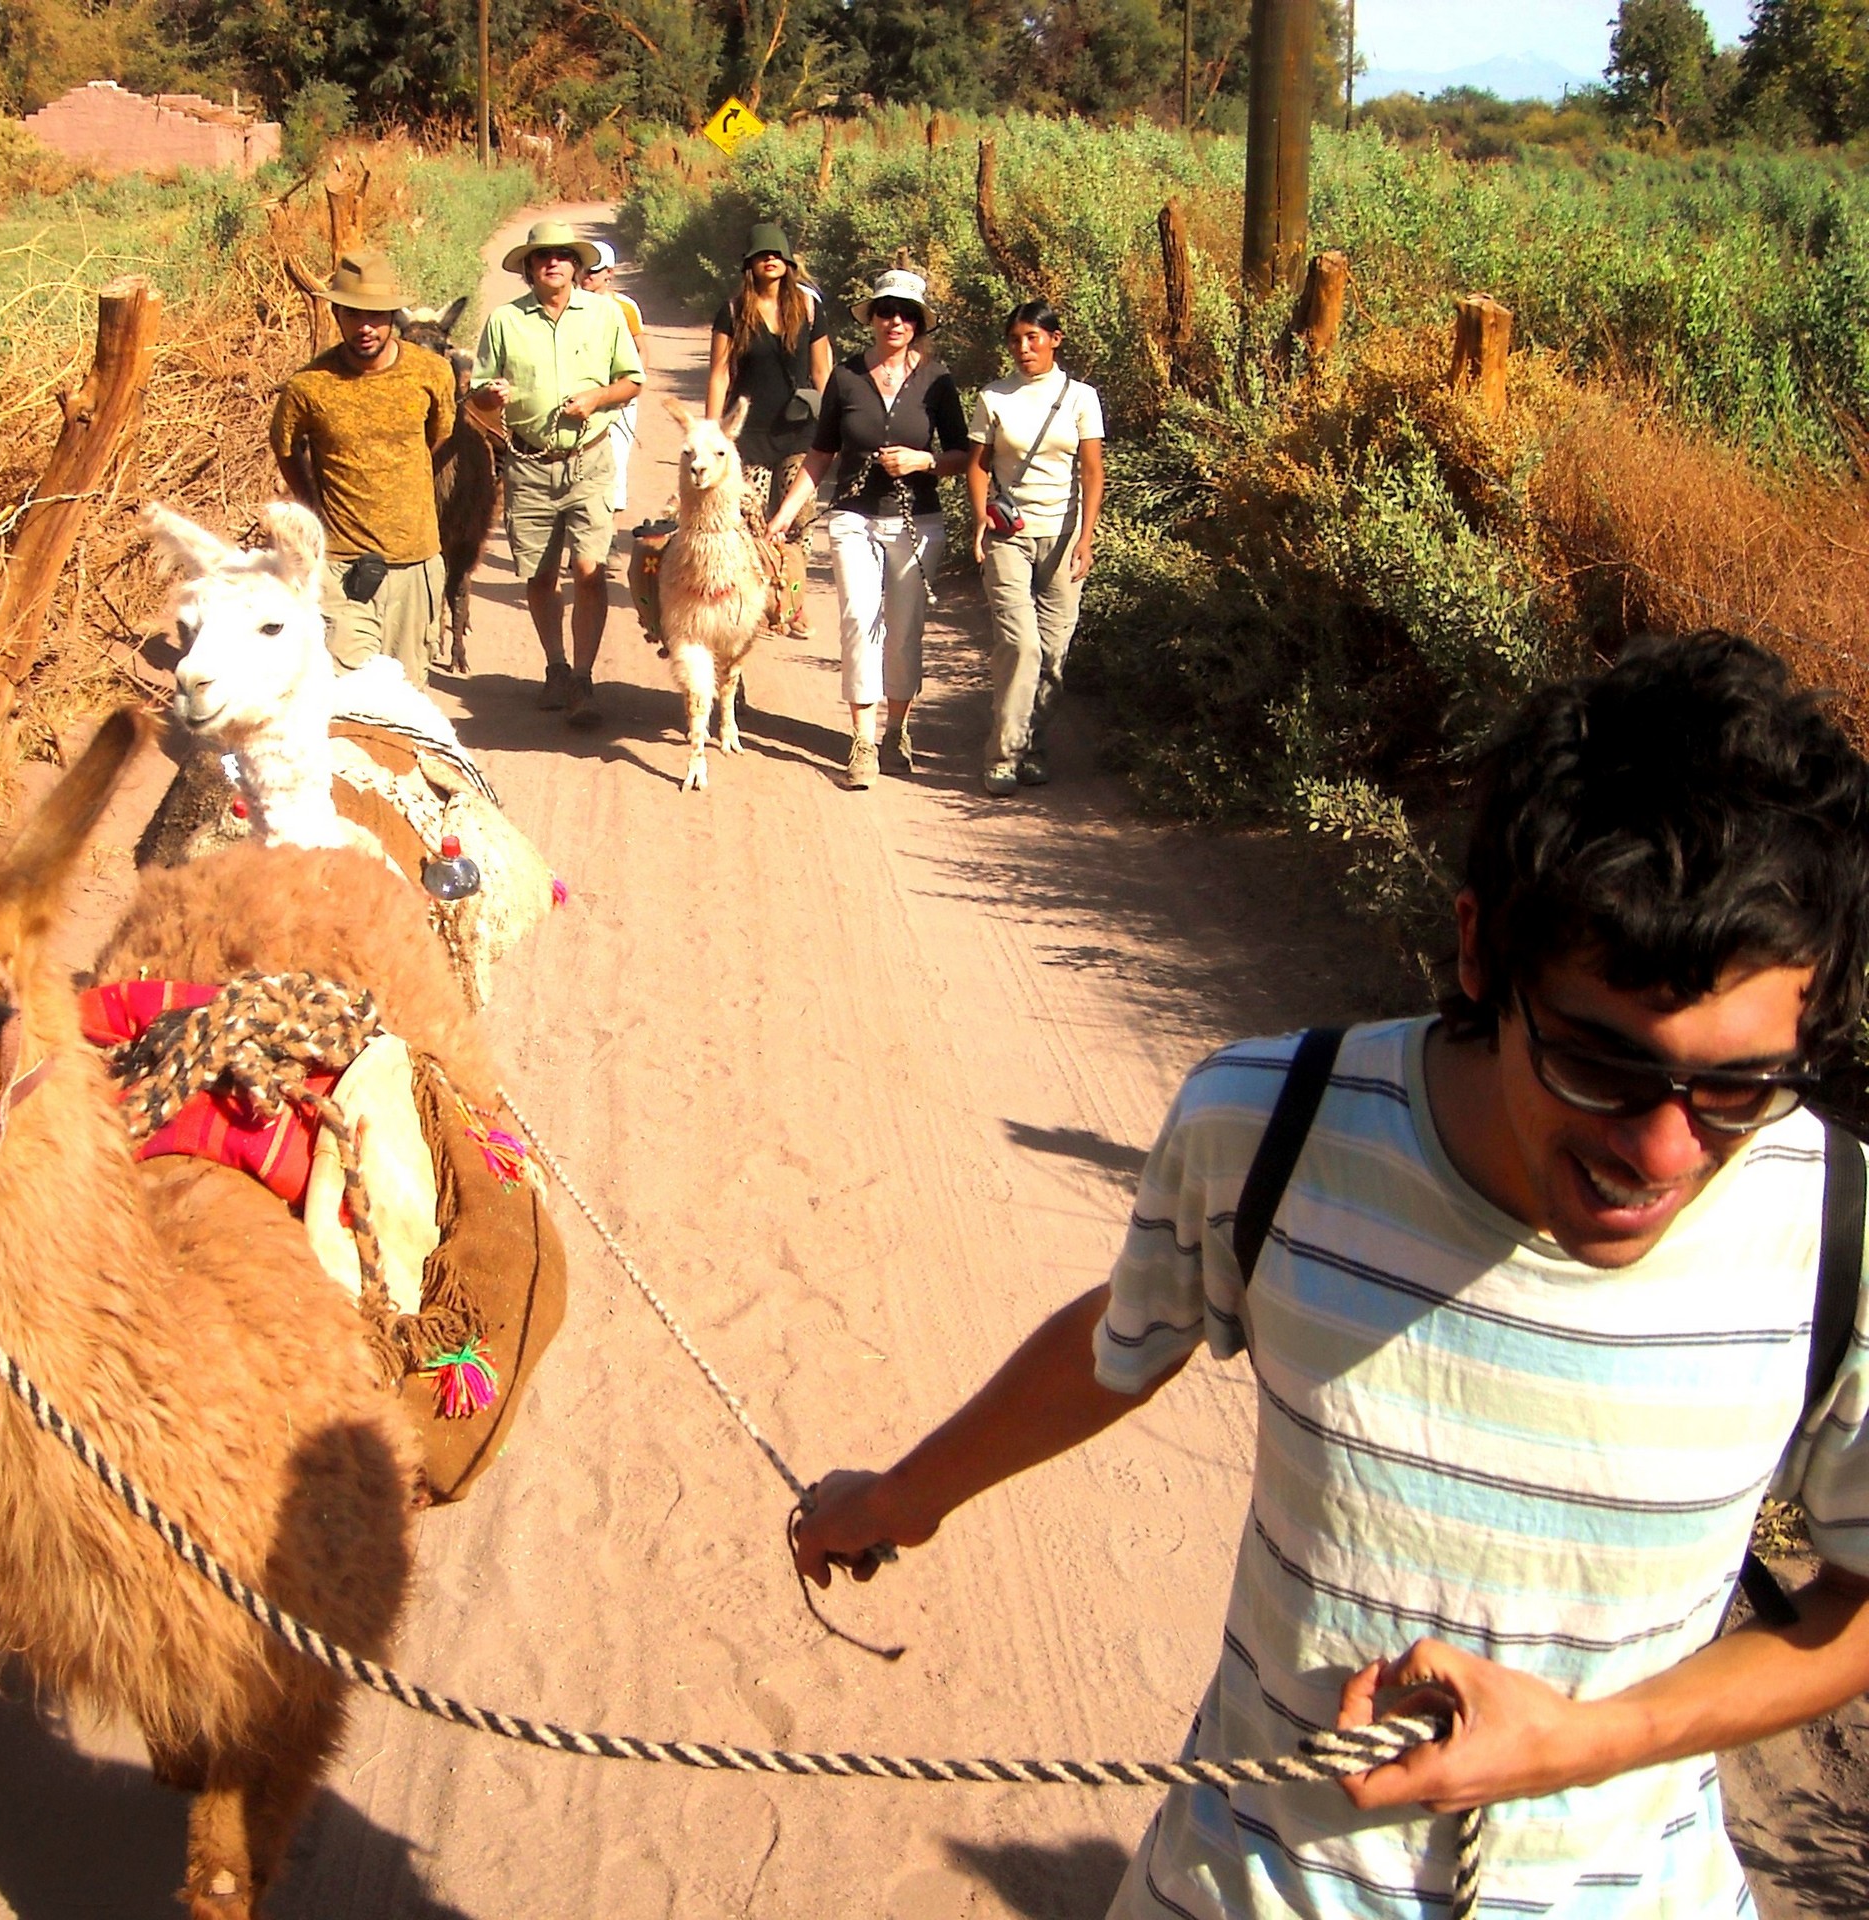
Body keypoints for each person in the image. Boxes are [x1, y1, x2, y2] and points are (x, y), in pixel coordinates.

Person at [796, 633, 1869, 1920]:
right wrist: (903, 1498)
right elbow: (1123, 1338)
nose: (1661, 1149)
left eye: (1740, 1087)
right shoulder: (1272, 1125)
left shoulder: (1839, 1232)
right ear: (1480, 954)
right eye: (1600, 1063)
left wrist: (1582, 1743)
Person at [763, 268, 969, 791]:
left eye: (906, 314)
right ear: (872, 317)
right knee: (858, 618)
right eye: (885, 311)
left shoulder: (938, 380)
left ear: (918, 323)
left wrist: (923, 461)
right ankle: (862, 739)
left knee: (903, 629)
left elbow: (963, 455)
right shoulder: (847, 376)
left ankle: (896, 729)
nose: (894, 320)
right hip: (853, 515)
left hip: (916, 521)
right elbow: (820, 454)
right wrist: (785, 515)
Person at [473, 219, 645, 728]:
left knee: (590, 571)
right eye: (542, 256)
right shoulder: (505, 320)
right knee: (541, 575)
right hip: (528, 464)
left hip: (589, 459)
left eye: (563, 255)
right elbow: (479, 392)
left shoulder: (605, 315)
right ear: (529, 267)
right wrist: (489, 396)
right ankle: (555, 665)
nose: (553, 262)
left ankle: (584, 679)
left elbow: (632, 380)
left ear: (577, 265)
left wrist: (598, 397)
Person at [266, 250, 457, 686]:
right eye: (353, 314)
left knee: (407, 699)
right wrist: (312, 505)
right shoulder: (309, 386)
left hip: (415, 564)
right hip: (340, 566)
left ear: (393, 316)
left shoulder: (431, 372)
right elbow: (285, 447)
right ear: (336, 313)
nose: (365, 326)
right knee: (346, 696)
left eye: (375, 314)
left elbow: (437, 436)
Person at [968, 300, 1103, 794]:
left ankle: (1033, 748)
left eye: (1033, 338)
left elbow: (1091, 471)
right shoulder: (994, 396)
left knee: (1052, 652)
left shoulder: (1081, 398)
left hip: (1064, 537)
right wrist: (982, 518)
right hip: (1010, 536)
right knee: (1020, 646)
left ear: (1055, 339)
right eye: (1015, 341)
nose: (1024, 349)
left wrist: (1086, 538)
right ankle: (1001, 756)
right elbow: (978, 464)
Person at [706, 223, 834, 533]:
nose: (770, 259)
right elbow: (719, 375)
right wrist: (710, 434)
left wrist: (836, 424)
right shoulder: (733, 312)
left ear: (789, 261)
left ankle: (794, 583)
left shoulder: (808, 308)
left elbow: (822, 371)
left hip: (800, 431)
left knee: (799, 521)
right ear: (749, 262)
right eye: (761, 254)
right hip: (749, 434)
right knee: (751, 525)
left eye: (777, 253)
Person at [583, 240, 644, 518]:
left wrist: (630, 389)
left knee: (615, 462)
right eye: (583, 269)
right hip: (582, 396)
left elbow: (641, 350)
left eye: (593, 271)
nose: (586, 276)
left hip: (619, 399)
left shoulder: (625, 307)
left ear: (609, 273)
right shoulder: (570, 305)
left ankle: (605, 538)